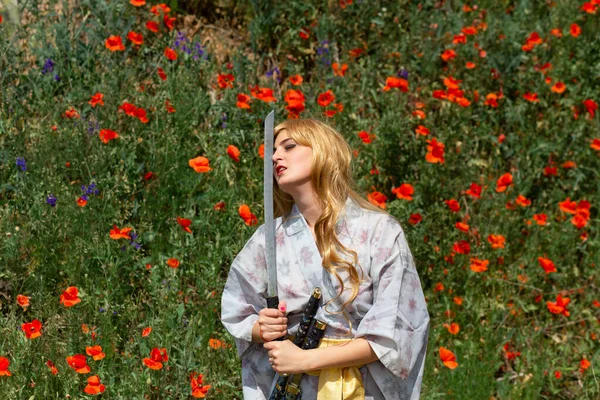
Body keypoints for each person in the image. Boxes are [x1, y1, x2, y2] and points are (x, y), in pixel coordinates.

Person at [221, 118, 430, 399]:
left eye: (289, 146)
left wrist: (306, 360)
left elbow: (398, 331)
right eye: (273, 151)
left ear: (322, 151)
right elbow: (239, 309)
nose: (274, 156)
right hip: (295, 389)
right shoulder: (268, 238)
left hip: (361, 386)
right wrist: (263, 327)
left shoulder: (380, 232)